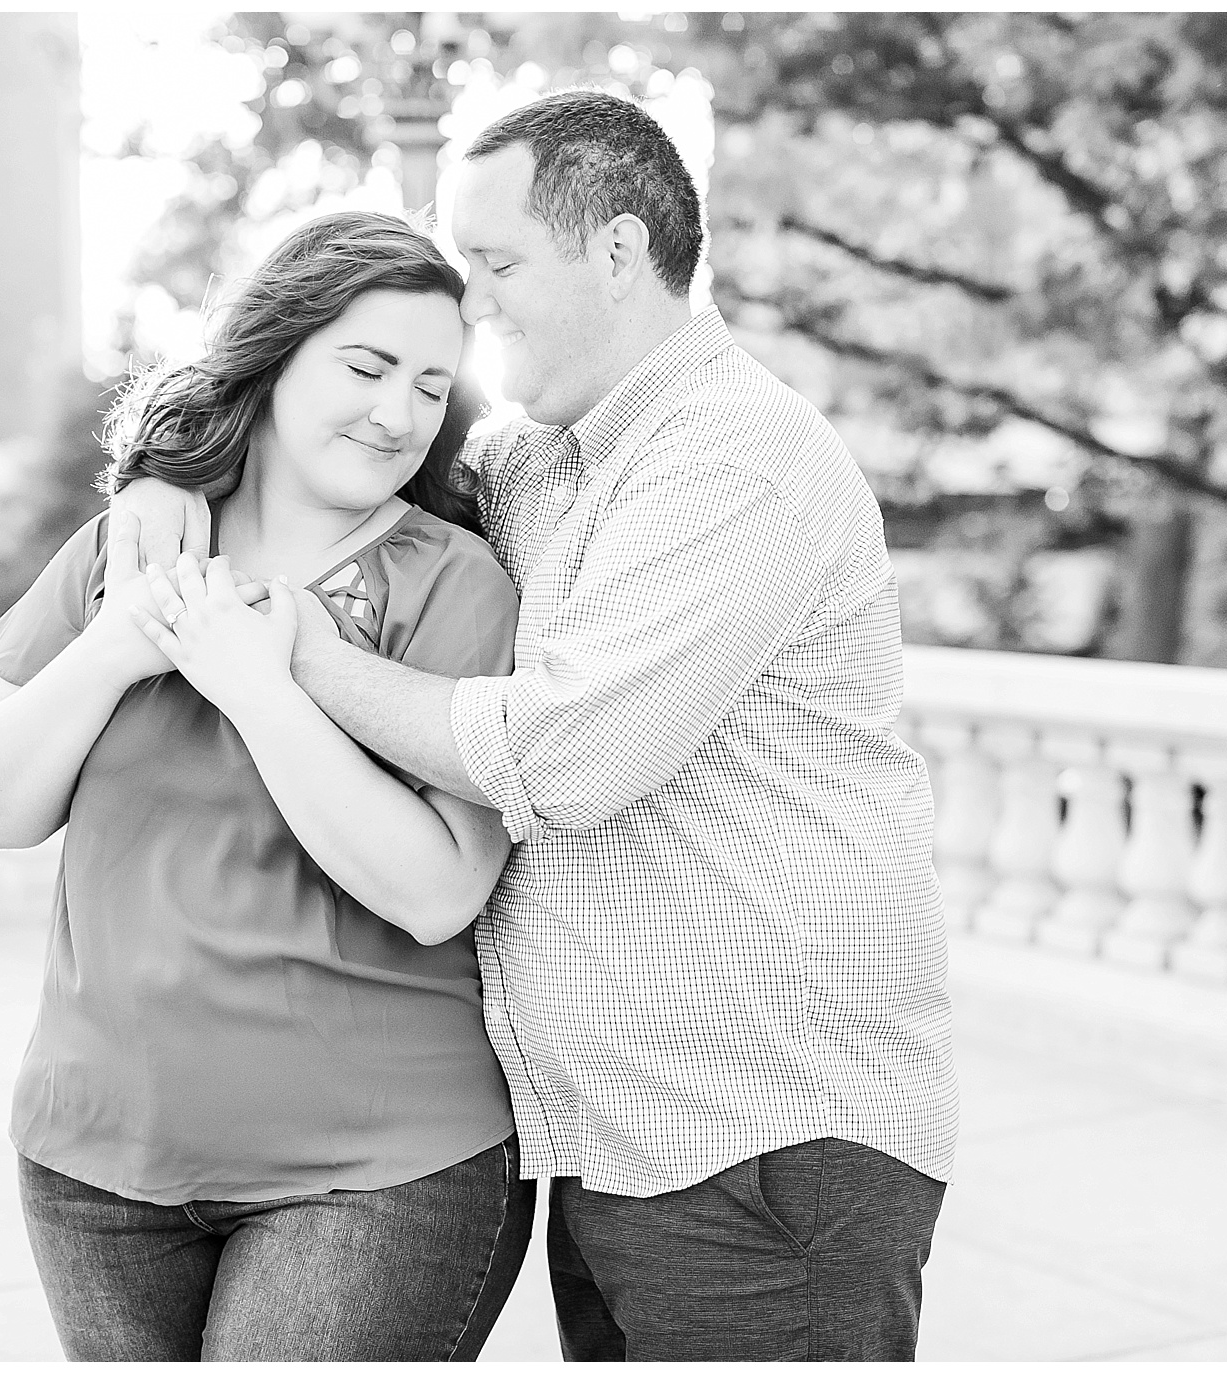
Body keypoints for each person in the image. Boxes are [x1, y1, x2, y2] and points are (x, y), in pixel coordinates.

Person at [116, 89, 958, 1361]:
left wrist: (297, 659)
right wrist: (163, 479)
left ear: (617, 250)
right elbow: (327, 439)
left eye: (497, 262)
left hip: (765, 1135)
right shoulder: (532, 460)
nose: (474, 303)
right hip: (612, 1135)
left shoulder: (735, 452)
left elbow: (567, 755)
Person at [0, 212, 533, 1361]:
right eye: (363, 367)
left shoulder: (452, 582)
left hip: (373, 1176)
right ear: (271, 355)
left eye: (428, 383)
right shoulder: (127, 543)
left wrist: (261, 686)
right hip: (92, 1165)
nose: (397, 412)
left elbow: (436, 890)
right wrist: (123, 640)